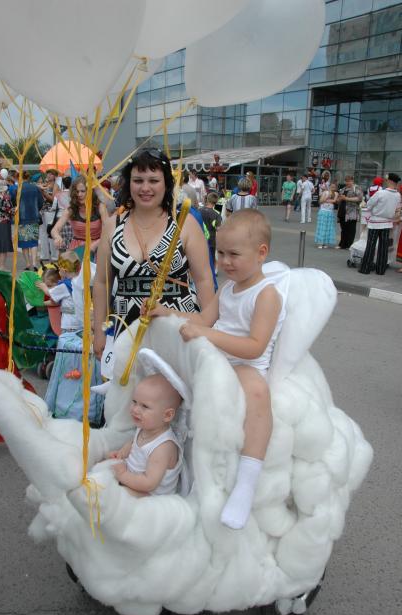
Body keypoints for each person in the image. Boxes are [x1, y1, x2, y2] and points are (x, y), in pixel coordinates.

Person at [147, 209, 285, 530]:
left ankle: (247, 482)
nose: (224, 262)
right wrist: (168, 312)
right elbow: (202, 319)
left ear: (261, 253)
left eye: (234, 254)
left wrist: (206, 335)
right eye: (220, 253)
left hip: (246, 365)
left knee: (257, 393)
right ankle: (161, 455)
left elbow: (255, 346)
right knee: (170, 379)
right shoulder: (227, 289)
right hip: (215, 359)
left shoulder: (266, 295)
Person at [92, 148, 215, 360]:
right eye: (138, 180)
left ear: (166, 184)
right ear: (128, 183)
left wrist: (209, 325)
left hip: (178, 328)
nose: (145, 188)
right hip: (125, 329)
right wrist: (100, 330)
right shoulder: (113, 226)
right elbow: (102, 282)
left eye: (153, 180)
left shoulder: (185, 224)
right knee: (128, 390)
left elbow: (204, 279)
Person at [37, 250, 103, 423]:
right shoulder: (80, 282)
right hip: (82, 326)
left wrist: (44, 287)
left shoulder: (65, 285)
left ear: (63, 270)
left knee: (69, 360)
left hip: (68, 328)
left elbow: (51, 297)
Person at [105, 374, 183, 496]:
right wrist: (120, 454)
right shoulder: (145, 428)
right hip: (133, 481)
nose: (135, 409)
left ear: (167, 415)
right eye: (135, 402)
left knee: (112, 494)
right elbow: (132, 444)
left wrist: (123, 475)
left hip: (152, 496)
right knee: (103, 474)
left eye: (144, 406)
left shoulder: (163, 447)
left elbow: (149, 483)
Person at [51, 175, 107, 256]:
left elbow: (108, 231)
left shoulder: (100, 207)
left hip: (98, 248)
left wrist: (95, 245)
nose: (79, 194)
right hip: (77, 249)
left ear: (90, 191)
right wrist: (57, 237)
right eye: (77, 191)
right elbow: (55, 230)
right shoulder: (71, 209)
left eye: (83, 191)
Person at [359, 173, 401, 275]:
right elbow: (396, 209)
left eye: (386, 180)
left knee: (371, 246)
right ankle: (381, 269)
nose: (385, 181)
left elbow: (369, 205)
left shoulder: (380, 193)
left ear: (389, 181)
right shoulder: (398, 195)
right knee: (383, 248)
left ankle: (365, 268)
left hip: (375, 222)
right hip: (387, 223)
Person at [11, 171, 44, 271]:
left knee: (24, 242)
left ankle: (27, 263)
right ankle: (34, 263)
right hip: (34, 217)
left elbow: (13, 202)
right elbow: (40, 202)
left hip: (22, 218)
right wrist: (36, 209)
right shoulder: (35, 188)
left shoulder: (17, 189)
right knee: (33, 241)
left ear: (19, 178)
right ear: (28, 177)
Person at [336, 175, 363, 249]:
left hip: (352, 211)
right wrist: (339, 199)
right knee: (343, 228)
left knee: (351, 229)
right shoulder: (343, 189)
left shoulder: (356, 188)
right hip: (342, 210)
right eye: (346, 181)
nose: (347, 182)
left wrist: (347, 198)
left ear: (352, 181)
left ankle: (349, 244)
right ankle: (342, 244)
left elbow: (359, 198)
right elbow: (338, 199)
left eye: (349, 181)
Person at [38, 169, 59, 262]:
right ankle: (44, 254)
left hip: (51, 210)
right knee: (42, 233)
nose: (49, 176)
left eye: (51, 174)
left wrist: (44, 193)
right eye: (48, 174)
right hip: (43, 210)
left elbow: (53, 199)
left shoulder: (56, 185)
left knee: (50, 232)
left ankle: (54, 255)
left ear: (55, 176)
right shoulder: (44, 185)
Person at [199, 192, 222, 264]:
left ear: (207, 199)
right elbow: (218, 229)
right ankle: (212, 273)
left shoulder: (199, 210)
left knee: (201, 257)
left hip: (199, 238)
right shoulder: (217, 214)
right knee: (211, 259)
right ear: (216, 202)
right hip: (211, 240)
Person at [314, 182, 338, 248]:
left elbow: (334, 201)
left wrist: (327, 200)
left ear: (336, 188)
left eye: (334, 187)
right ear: (329, 186)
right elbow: (320, 201)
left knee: (328, 228)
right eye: (332, 186)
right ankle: (320, 243)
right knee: (322, 227)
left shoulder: (336, 193)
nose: (333, 188)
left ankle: (325, 243)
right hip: (323, 211)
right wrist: (327, 198)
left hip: (330, 212)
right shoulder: (325, 192)